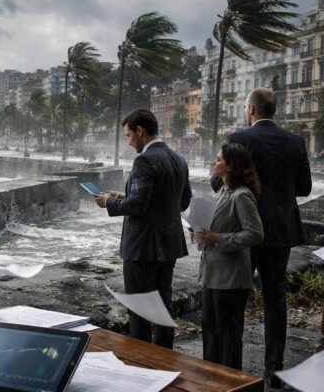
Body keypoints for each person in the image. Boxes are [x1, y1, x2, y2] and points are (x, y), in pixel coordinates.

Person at [211, 88, 312, 388]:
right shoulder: (296, 141)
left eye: (245, 108)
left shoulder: (239, 138)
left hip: (244, 229)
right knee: (275, 299)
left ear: (252, 110)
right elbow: (304, 188)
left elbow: (219, 182)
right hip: (280, 231)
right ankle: (275, 372)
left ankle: (234, 370)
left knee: (235, 299)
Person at [94, 109, 191, 349]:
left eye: (128, 136)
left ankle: (142, 362)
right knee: (162, 305)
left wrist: (109, 202)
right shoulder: (178, 159)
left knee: (139, 310)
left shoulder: (144, 160)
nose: (128, 142)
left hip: (142, 248)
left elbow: (138, 205)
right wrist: (127, 195)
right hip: (168, 244)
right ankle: (164, 357)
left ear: (140, 131)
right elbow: (183, 201)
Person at [193, 143, 264, 370]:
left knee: (228, 335)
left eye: (219, 159)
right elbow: (219, 224)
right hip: (213, 274)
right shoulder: (224, 190)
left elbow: (255, 234)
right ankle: (211, 377)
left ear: (231, 165)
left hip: (231, 278)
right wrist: (199, 231)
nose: (215, 162)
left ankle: (230, 381)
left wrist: (218, 238)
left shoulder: (242, 195)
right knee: (211, 330)